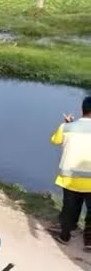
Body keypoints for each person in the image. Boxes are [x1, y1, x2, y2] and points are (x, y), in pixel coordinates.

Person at [50, 96, 91, 247]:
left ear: (82, 110)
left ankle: (65, 236)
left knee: (69, 208)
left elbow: (56, 140)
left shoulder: (66, 127)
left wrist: (67, 123)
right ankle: (89, 241)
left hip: (69, 179)